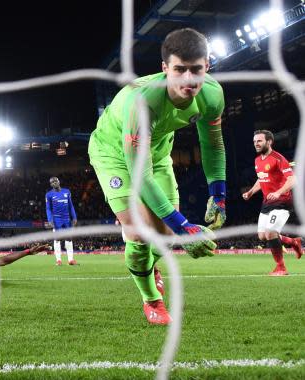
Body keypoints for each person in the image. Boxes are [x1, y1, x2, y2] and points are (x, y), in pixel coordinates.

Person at [88, 28, 225, 325]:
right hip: (112, 153)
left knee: (163, 240)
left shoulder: (212, 95)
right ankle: (152, 300)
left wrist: (220, 194)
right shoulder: (144, 102)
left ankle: (149, 262)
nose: (189, 80)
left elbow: (212, 143)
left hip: (157, 154)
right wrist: (185, 226)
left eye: (196, 70)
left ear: (208, 65)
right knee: (139, 233)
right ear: (165, 68)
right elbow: (140, 176)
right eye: (179, 70)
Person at [242, 130, 302, 276]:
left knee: (270, 233)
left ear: (269, 142)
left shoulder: (278, 159)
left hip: (283, 201)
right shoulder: (257, 160)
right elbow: (261, 179)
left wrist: (278, 192)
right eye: (255, 141)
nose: (256, 144)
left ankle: (281, 267)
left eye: (259, 141)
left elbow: (292, 179)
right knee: (262, 236)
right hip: (267, 202)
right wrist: (251, 192)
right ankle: (294, 242)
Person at [45, 177, 78, 265]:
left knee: (69, 238)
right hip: (56, 219)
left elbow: (71, 205)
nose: (54, 183)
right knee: (57, 239)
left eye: (55, 181)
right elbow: (48, 209)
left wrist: (74, 217)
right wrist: (50, 219)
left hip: (67, 219)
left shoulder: (67, 191)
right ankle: (58, 260)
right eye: (52, 182)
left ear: (59, 181)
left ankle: (70, 260)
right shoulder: (49, 194)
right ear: (50, 184)